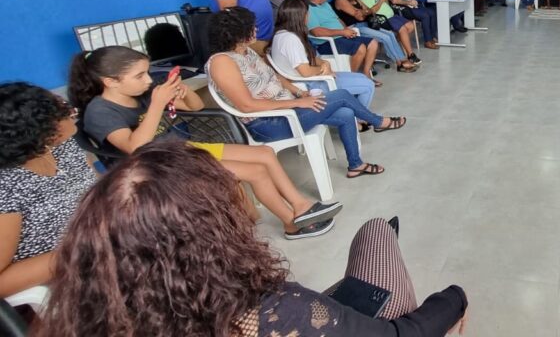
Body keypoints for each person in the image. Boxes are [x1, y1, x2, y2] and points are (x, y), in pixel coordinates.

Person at [42, 141, 469, 336]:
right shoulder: (272, 311)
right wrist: (455, 298)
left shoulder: (85, 318)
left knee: (366, 262)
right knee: (376, 233)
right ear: (212, 230)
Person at [70, 45, 342, 240]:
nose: (148, 80)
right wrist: (157, 104)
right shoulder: (100, 111)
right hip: (157, 167)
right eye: (139, 76)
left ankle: (300, 206)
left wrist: (184, 93)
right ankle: (291, 224)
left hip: (182, 149)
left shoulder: (142, 93)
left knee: (264, 153)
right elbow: (134, 148)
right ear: (110, 82)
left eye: (147, 72)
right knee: (255, 171)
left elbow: (196, 107)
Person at [206, 6, 404, 179]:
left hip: (289, 111)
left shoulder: (247, 52)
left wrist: (300, 94)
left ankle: (356, 165)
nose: (256, 29)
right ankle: (378, 122)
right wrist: (296, 103)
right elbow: (246, 106)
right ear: (238, 33)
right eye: (251, 26)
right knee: (342, 95)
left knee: (345, 113)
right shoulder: (221, 62)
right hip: (269, 123)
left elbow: (276, 77)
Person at [0, 83, 96, 298]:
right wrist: (83, 249)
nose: (72, 112)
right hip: (74, 273)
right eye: (62, 111)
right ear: (41, 133)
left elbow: (93, 186)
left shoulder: (63, 146)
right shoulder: (6, 188)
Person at [270, 0, 381, 107]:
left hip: (314, 77)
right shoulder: (290, 40)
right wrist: (323, 69)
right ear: (300, 16)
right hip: (311, 83)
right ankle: (359, 116)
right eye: (307, 13)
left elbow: (308, 58)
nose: (308, 16)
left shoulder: (282, 34)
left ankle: (356, 112)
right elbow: (306, 72)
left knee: (362, 78)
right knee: (368, 85)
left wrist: (324, 63)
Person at [330, 0, 418, 72]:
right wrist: (365, 11)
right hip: (355, 27)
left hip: (366, 23)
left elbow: (368, 10)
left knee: (390, 34)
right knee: (385, 37)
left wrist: (364, 12)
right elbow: (358, 15)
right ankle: (400, 63)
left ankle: (402, 59)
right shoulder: (340, 0)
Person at [305, 0, 380, 83]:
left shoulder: (325, 4)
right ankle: (352, 80)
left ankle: (366, 74)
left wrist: (346, 30)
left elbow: (338, 19)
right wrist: (342, 32)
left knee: (373, 43)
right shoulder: (308, 9)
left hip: (341, 36)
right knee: (360, 48)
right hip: (326, 43)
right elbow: (316, 32)